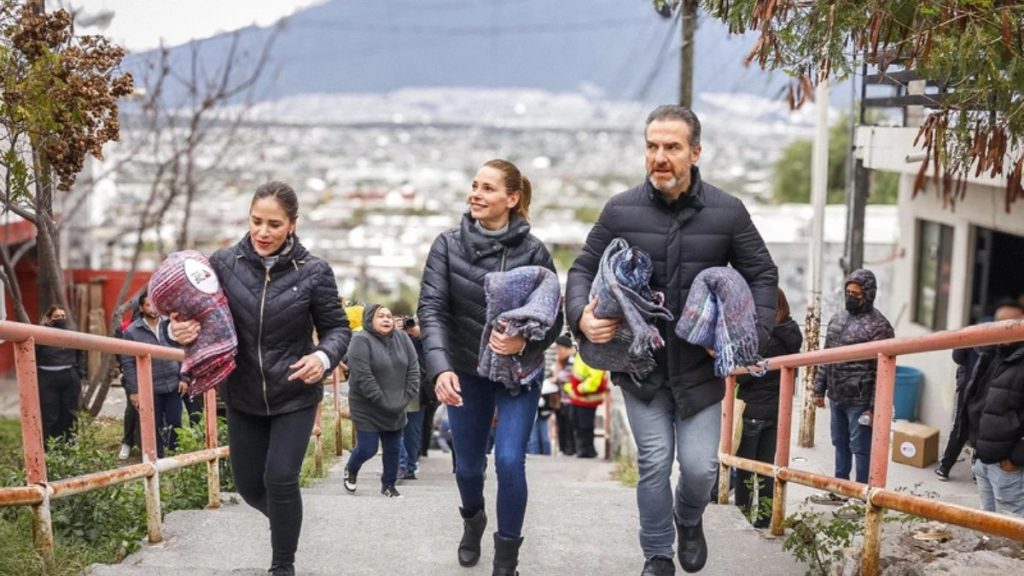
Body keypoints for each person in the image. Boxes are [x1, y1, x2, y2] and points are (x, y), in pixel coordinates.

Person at [566, 105, 778, 576]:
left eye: (672, 147)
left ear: (695, 152)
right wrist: (580, 315)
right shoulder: (621, 210)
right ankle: (657, 555)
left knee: (701, 470)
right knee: (655, 462)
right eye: (652, 147)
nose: (660, 157)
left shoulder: (728, 212)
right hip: (641, 369)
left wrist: (746, 337)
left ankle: (689, 518)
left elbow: (763, 274)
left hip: (701, 370)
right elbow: (583, 267)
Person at [170, 181, 350, 576]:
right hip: (243, 394)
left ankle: (282, 564)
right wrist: (178, 331)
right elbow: (194, 317)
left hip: (295, 393)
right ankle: (288, 522)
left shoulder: (315, 272)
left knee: (281, 477)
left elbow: (338, 329)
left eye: (274, 224)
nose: (263, 232)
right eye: (256, 222)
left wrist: (322, 356)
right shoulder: (222, 264)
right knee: (251, 487)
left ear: (292, 224)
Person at [418, 158, 563, 576]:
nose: (475, 194)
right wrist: (440, 368)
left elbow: (552, 315)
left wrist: (525, 340)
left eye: (487, 188)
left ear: (512, 199)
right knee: (467, 465)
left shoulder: (535, 252)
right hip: (465, 369)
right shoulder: (446, 245)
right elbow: (431, 309)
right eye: (474, 185)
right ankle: (473, 519)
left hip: (518, 371)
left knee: (510, 460)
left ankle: (506, 561)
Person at [811, 269, 894, 501]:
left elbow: (883, 371)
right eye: (848, 292)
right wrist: (819, 389)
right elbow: (826, 357)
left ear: (868, 294)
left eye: (856, 293)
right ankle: (839, 489)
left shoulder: (880, 327)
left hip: (860, 401)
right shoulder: (837, 319)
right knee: (840, 444)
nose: (850, 296)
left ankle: (860, 496)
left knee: (861, 449)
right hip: (837, 397)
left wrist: (873, 406)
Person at [734, 288, 802, 527]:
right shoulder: (792, 334)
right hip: (777, 409)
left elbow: (744, 376)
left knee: (744, 467)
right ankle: (764, 518)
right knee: (766, 468)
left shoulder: (762, 337)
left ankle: (741, 515)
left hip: (754, 408)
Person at [343, 305, 420, 497]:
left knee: (393, 448)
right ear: (369, 319)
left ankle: (388, 485)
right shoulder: (360, 340)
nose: (386, 320)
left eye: (389, 316)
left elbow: (413, 369)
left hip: (397, 402)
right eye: (380, 316)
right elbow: (363, 377)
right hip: (367, 404)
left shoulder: (403, 338)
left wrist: (405, 397)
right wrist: (384, 401)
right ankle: (351, 468)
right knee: (368, 448)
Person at [966, 299, 1024, 515]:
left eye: (1013, 322)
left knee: (1012, 530)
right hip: (982, 458)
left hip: (1006, 465)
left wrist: (1017, 459)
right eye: (1000, 322)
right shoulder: (991, 353)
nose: (1006, 327)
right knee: (987, 522)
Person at [121, 288, 187, 458]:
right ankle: (157, 458)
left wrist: (184, 378)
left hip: (172, 383)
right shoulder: (132, 331)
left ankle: (175, 456)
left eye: (155, 304)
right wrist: (135, 391)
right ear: (142, 308)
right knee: (153, 423)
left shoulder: (170, 325)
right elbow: (128, 362)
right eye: (149, 305)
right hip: (149, 386)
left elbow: (183, 349)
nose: (153, 308)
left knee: (175, 422)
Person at [35, 306, 87, 447]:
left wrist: (80, 373)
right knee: (49, 414)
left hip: (68, 376)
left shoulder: (71, 334)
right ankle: (48, 447)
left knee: (69, 413)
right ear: (49, 318)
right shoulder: (40, 334)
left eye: (63, 316)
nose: (60, 319)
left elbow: (80, 353)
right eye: (57, 316)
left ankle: (69, 445)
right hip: (47, 377)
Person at [398, 315, 428, 480]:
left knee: (413, 429)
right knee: (395, 425)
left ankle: (409, 466)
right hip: (392, 385)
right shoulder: (387, 330)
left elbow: (434, 344)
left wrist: (417, 331)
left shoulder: (419, 334)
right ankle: (400, 465)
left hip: (417, 385)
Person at [564, 354, 607, 459]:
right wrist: (571, 389)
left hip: (587, 398)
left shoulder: (592, 354)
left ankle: (587, 450)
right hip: (578, 398)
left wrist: (580, 389)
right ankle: (582, 449)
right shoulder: (581, 353)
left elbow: (595, 378)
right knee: (577, 423)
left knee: (585, 425)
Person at [550, 334, 577, 456]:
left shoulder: (573, 361)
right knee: (561, 424)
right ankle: (563, 449)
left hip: (571, 399)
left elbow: (562, 377)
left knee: (570, 425)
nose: (558, 352)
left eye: (560, 349)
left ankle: (571, 449)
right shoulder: (560, 361)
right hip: (560, 399)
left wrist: (556, 374)